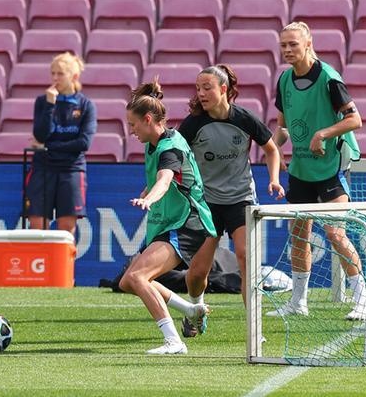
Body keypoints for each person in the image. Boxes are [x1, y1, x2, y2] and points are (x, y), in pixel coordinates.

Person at [268, 21, 366, 321]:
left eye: (293, 44)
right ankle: (299, 301)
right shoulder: (284, 80)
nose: (287, 50)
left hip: (330, 168)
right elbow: (283, 127)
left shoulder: (328, 78)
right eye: (283, 45)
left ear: (308, 44)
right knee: (298, 234)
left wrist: (323, 134)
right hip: (300, 170)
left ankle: (362, 300)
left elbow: (355, 120)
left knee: (335, 234)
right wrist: (273, 149)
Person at [177, 64, 285, 337]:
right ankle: (195, 309)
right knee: (198, 273)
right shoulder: (192, 124)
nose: (201, 93)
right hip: (207, 203)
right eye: (198, 88)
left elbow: (272, 150)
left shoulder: (244, 119)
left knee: (245, 256)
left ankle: (254, 330)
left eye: (207, 88)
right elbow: (171, 156)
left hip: (241, 198)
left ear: (223, 89)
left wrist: (274, 179)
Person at [119, 79, 215, 355]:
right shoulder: (156, 141)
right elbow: (159, 177)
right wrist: (149, 191)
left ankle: (174, 341)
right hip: (169, 219)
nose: (131, 131)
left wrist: (149, 197)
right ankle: (190, 309)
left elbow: (165, 178)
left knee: (139, 276)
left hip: (187, 221)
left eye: (133, 124)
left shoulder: (169, 147)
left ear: (148, 119)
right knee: (129, 281)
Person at [26, 52, 97, 235]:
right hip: (42, 168)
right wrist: (50, 105)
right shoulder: (43, 101)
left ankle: (62, 265)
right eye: (53, 73)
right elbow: (41, 135)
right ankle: (39, 264)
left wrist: (50, 147)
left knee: (66, 228)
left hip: (71, 169)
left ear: (74, 76)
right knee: (37, 226)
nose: (55, 78)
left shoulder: (86, 105)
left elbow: (83, 143)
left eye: (60, 74)